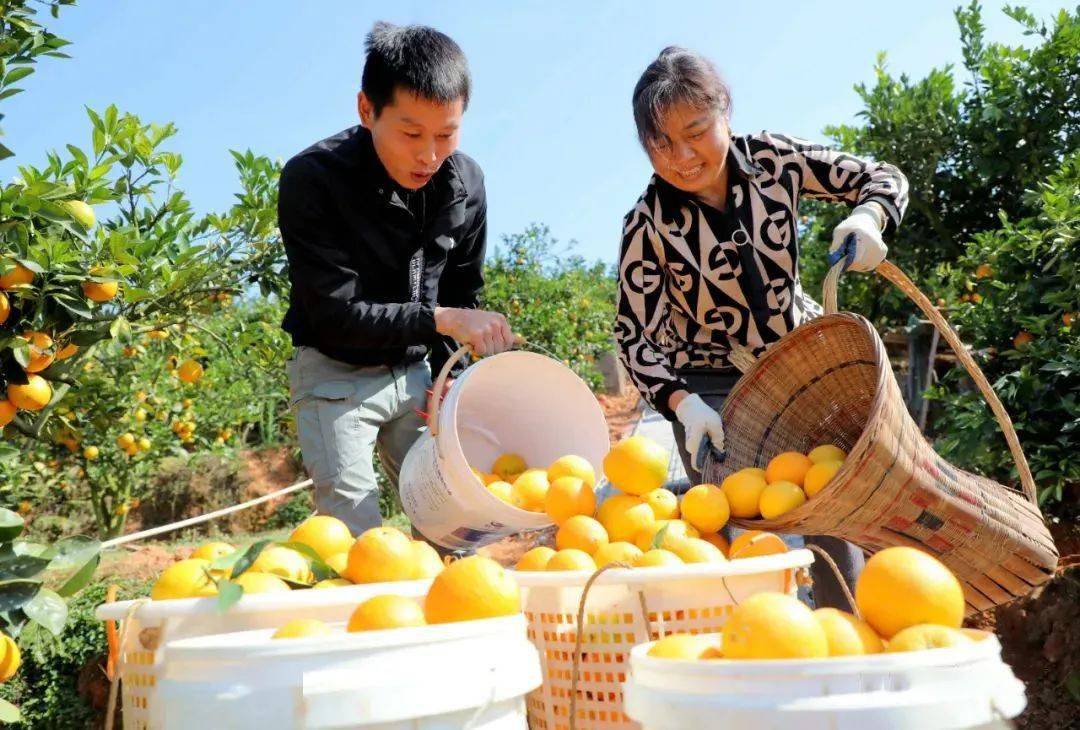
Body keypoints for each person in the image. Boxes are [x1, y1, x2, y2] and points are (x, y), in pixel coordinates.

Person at [616, 47, 909, 609]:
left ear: (725, 111)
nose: (682, 157)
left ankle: (842, 631)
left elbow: (881, 176)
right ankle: (756, 648)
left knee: (830, 505)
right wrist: (681, 403)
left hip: (801, 367)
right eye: (661, 145)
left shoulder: (774, 160)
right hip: (711, 387)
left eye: (696, 131)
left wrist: (868, 216)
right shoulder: (647, 223)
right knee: (735, 522)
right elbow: (635, 334)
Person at [278, 22, 515, 538]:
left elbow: (460, 290)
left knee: (451, 519)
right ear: (367, 111)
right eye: (411, 134)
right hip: (335, 372)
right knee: (353, 529)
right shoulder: (313, 180)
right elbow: (335, 314)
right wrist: (443, 320)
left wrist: (447, 376)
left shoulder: (465, 184)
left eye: (447, 134)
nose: (430, 154)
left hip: (414, 373)